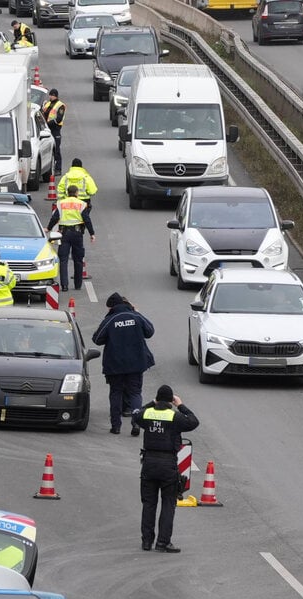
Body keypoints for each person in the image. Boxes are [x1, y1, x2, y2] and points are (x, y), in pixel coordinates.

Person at [133, 385, 200, 553]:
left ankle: (146, 542)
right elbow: (193, 421)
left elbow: (135, 414)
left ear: (157, 399)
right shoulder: (175, 417)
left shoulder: (147, 414)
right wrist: (181, 405)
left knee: (149, 504)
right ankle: (163, 543)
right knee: (168, 504)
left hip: (149, 463)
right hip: (167, 464)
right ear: (171, 400)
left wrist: (151, 403)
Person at [91, 292, 155, 435]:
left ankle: (116, 426)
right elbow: (150, 331)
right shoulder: (136, 316)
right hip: (136, 363)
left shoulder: (111, 319)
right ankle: (136, 423)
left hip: (115, 365)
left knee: (115, 393)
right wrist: (137, 313)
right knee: (135, 393)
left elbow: (97, 338)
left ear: (112, 307)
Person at [47, 184, 95, 292]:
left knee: (63, 259)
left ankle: (64, 286)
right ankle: (77, 284)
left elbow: (55, 218)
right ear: (77, 193)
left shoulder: (61, 203)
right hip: (77, 234)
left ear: (67, 193)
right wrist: (92, 233)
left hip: (64, 234)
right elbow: (87, 219)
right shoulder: (82, 204)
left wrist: (49, 228)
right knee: (78, 259)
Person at [41, 89, 66, 174]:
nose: (50, 96)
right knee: (46, 149)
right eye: (50, 95)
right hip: (47, 129)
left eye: (51, 95)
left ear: (55, 95)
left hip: (55, 129)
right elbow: (42, 113)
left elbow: (59, 119)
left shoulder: (61, 105)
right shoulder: (47, 104)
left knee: (56, 150)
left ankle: (58, 169)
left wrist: (48, 123)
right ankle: (48, 168)